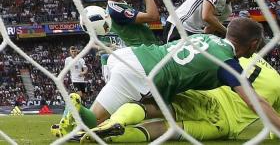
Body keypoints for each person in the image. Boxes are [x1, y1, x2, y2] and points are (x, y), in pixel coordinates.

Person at [80, 53, 280, 143]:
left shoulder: (239, 56)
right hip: (224, 123)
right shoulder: (277, 82)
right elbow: (274, 127)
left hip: (205, 98)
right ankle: (114, 138)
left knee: (150, 107)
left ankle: (113, 122)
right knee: (168, 131)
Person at [164, 0, 248, 42]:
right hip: (180, 25)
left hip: (196, 33)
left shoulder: (228, 10)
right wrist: (228, 33)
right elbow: (206, 16)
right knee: (170, 58)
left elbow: (209, 29)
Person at [96, 0, 160, 47]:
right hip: (144, 52)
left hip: (148, 49)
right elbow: (153, 17)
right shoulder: (115, 10)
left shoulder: (120, 5)